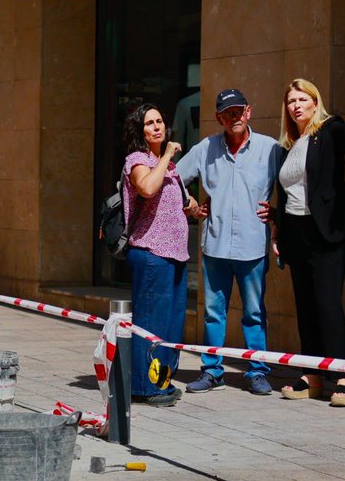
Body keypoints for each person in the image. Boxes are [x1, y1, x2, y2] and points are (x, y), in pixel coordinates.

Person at [272, 79, 345, 407]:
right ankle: (312, 375)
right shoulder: (288, 144)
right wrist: (278, 235)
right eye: (291, 101)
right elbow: (284, 193)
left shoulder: (327, 130)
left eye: (303, 99)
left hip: (328, 231)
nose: (297, 105)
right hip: (296, 233)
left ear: (316, 104)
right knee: (305, 305)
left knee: (328, 303)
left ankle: (343, 378)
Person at [176, 88, 284, 396]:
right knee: (213, 312)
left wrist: (278, 213)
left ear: (248, 112)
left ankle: (258, 372)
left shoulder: (270, 149)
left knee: (253, 312)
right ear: (219, 117)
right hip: (216, 245)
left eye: (239, 111)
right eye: (227, 113)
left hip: (252, 246)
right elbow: (172, 179)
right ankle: (212, 371)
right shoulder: (205, 148)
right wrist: (192, 204)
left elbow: (291, 183)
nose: (234, 117)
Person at [121, 104, 196, 407]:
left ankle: (161, 382)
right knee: (150, 324)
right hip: (151, 252)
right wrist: (166, 155)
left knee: (168, 327)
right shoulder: (138, 160)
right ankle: (143, 386)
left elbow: (170, 201)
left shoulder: (168, 166)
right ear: (140, 131)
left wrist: (190, 206)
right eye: (149, 123)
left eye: (160, 121)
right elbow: (148, 188)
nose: (157, 127)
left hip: (175, 255)